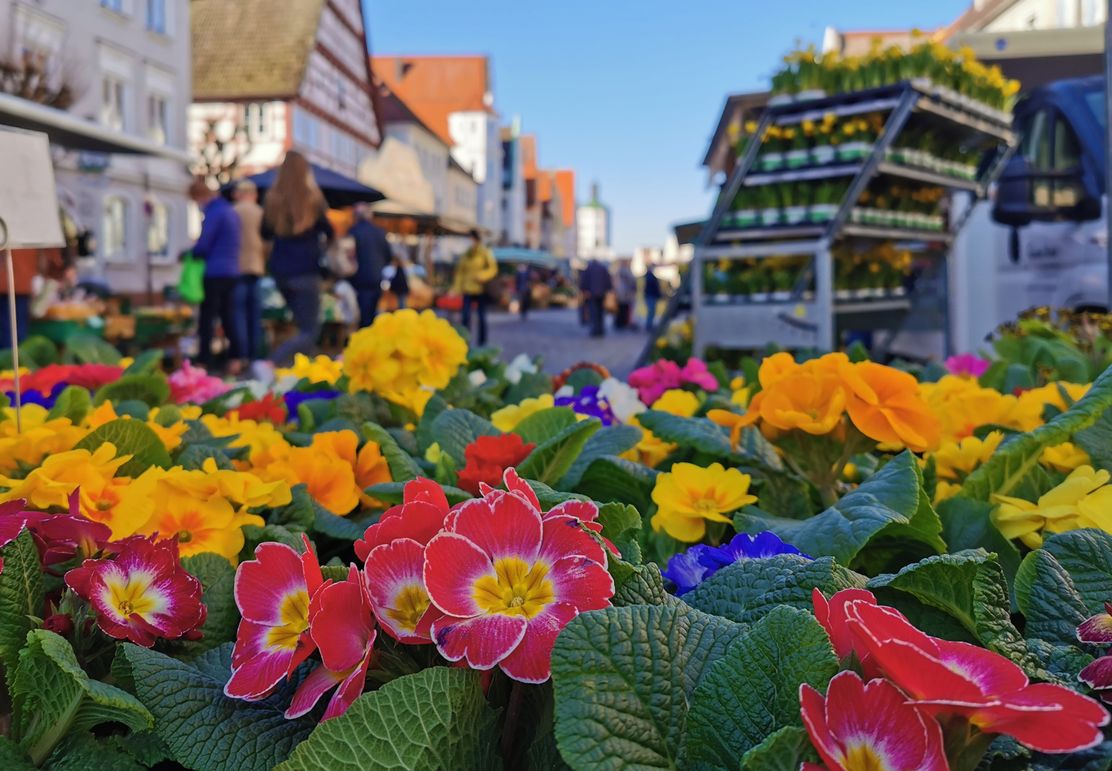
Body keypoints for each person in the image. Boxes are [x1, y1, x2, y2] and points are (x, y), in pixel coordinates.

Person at [262, 151, 334, 366]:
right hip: (306, 271)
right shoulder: (312, 199)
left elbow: (264, 233)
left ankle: (305, 372)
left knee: (302, 326)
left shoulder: (272, 198)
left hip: (281, 271)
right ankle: (270, 363)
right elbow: (329, 232)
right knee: (310, 330)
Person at [189, 176, 242, 373]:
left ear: (200, 196)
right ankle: (235, 357)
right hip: (232, 270)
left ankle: (204, 360)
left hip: (215, 271)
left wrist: (192, 252)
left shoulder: (214, 213)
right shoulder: (229, 211)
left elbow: (204, 244)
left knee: (207, 318)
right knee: (229, 316)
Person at [233, 180, 265, 362]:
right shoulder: (260, 212)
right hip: (256, 266)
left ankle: (242, 353)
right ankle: (255, 354)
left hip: (237, 267)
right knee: (255, 314)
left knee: (238, 313)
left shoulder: (233, 212)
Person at [347, 204, 390, 327]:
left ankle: (364, 341)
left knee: (363, 314)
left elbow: (348, 256)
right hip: (376, 277)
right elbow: (388, 256)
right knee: (371, 313)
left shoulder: (353, 231)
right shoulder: (379, 232)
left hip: (358, 279)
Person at [452, 229, 497, 346]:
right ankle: (465, 342)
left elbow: (493, 269)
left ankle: (482, 343)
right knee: (465, 317)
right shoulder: (466, 255)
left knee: (481, 318)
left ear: (476, 239)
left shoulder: (484, 252)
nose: (469, 241)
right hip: (467, 289)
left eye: (471, 239)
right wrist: (456, 288)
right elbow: (460, 272)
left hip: (480, 289)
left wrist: (483, 275)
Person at [580, 258, 613, 338]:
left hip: (592, 294)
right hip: (602, 294)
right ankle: (600, 330)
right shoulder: (603, 268)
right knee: (600, 313)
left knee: (593, 312)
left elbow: (584, 280)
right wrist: (607, 289)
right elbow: (608, 280)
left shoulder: (589, 268)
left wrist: (584, 289)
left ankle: (595, 330)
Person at [614, 259, 637, 330]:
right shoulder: (626, 271)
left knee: (621, 309)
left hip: (621, 294)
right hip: (625, 294)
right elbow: (632, 282)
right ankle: (622, 323)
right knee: (623, 309)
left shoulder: (618, 271)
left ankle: (620, 323)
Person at [643, 264, 663, 331]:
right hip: (650, 295)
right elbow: (653, 286)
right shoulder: (649, 276)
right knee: (651, 311)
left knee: (652, 311)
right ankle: (649, 325)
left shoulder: (649, 276)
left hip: (651, 295)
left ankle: (649, 325)